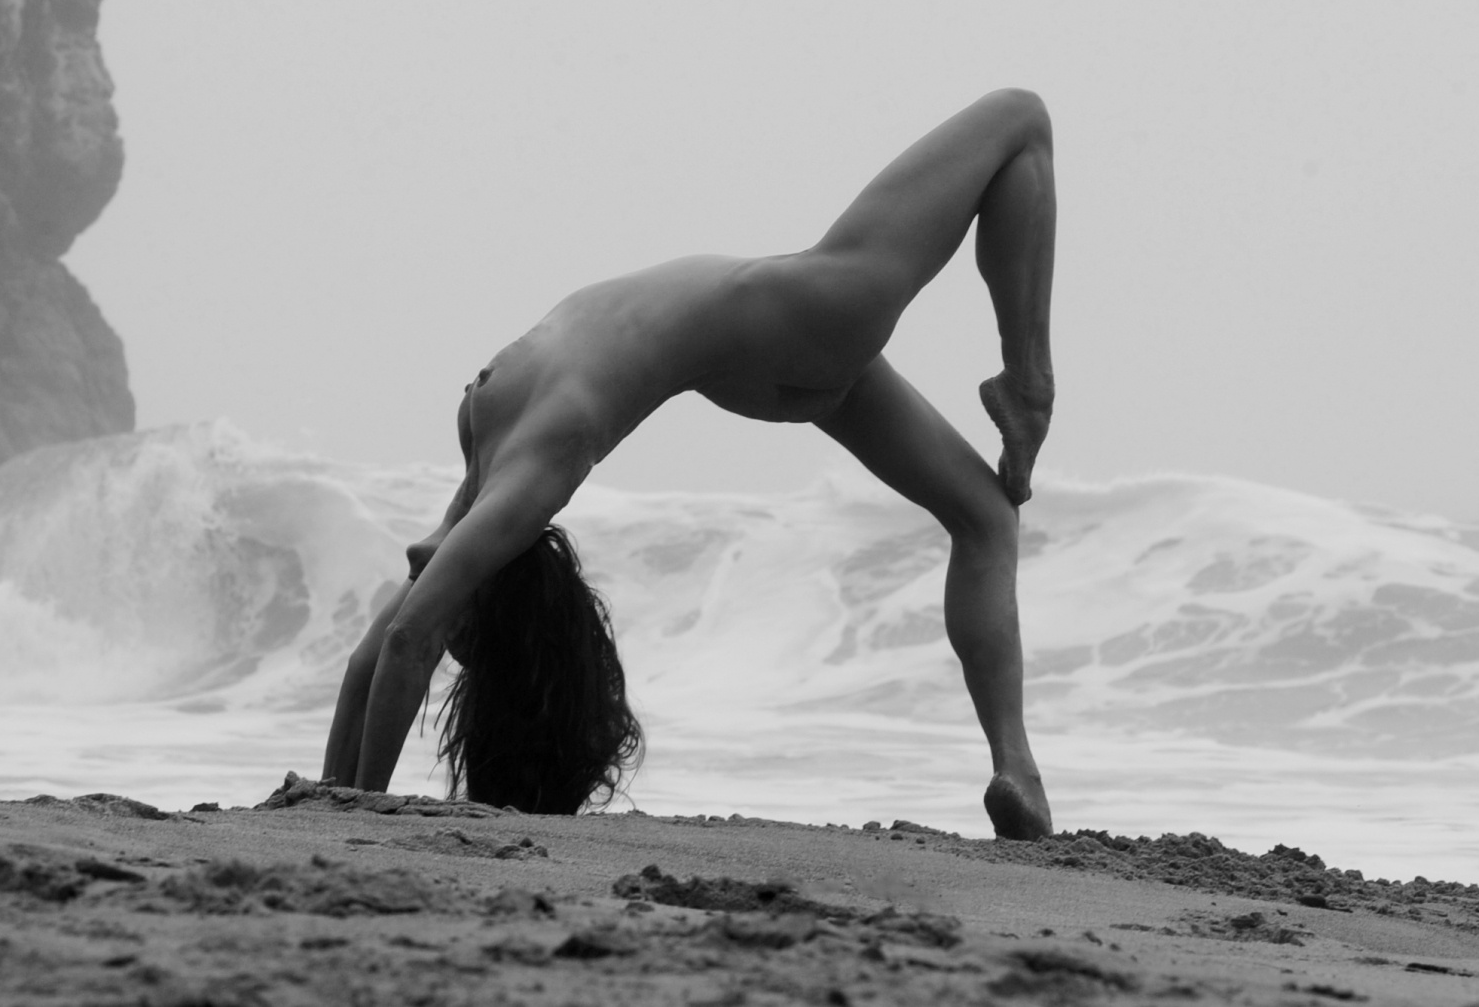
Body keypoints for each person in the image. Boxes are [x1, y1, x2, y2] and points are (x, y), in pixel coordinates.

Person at [318, 88, 1058, 839]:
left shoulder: (514, 464)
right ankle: (1017, 760)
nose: (449, 630)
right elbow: (401, 641)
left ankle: (1019, 771)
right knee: (1021, 121)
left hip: (792, 329)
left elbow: (392, 644)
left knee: (986, 514)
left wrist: (345, 801)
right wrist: (349, 804)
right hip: (788, 333)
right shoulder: (522, 457)